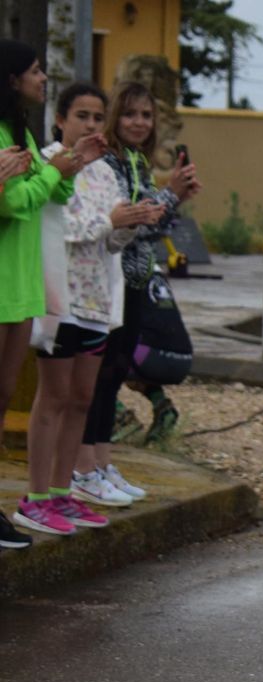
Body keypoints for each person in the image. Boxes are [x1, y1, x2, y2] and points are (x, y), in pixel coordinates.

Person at [12, 83, 161, 538]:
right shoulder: (50, 161)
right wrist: (108, 223)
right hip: (63, 298)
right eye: (82, 116)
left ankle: (63, 491)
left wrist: (130, 224)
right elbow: (61, 228)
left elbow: (109, 241)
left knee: (81, 398)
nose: (91, 126)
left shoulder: (105, 172)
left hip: (97, 300)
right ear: (60, 119)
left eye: (98, 118)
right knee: (52, 399)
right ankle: (35, 496)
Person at [1, 40, 107, 549]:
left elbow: (50, 193)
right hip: (4, 278)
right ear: (11, 78)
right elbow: (13, 203)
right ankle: (29, 500)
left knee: (3, 397)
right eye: (35, 71)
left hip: (21, 282)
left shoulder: (20, 131)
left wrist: (72, 167)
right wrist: (51, 173)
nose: (43, 78)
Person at [76, 80, 198, 504]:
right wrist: (171, 195)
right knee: (100, 375)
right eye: (130, 114)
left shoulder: (135, 161)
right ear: (115, 119)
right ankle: (84, 468)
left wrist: (172, 198)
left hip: (135, 280)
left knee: (115, 373)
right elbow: (135, 220)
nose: (139, 122)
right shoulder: (108, 163)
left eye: (146, 115)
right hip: (109, 280)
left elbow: (155, 224)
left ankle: (102, 463)